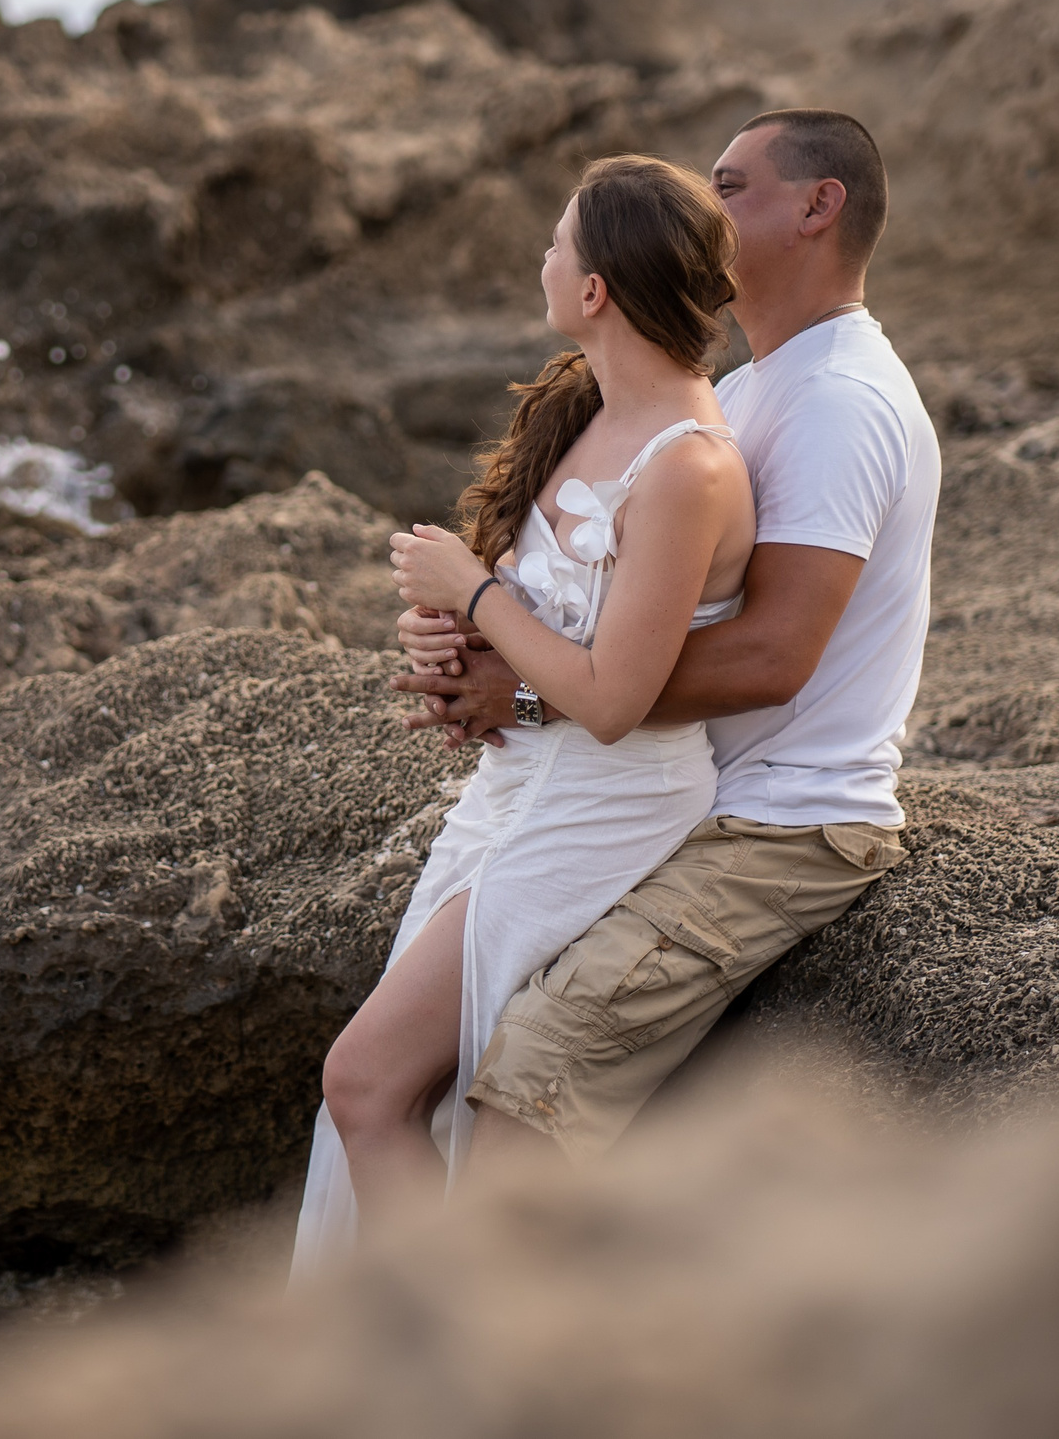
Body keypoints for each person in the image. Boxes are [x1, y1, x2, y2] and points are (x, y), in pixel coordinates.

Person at [391, 108, 941, 1177]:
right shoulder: (747, 388)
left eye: (731, 187)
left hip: (781, 820)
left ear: (817, 208)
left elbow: (776, 656)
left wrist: (534, 694)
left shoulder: (838, 398)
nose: (706, 204)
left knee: (527, 1090)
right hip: (683, 787)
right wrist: (478, 641)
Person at [293, 154, 758, 1277]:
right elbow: (540, 628)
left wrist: (475, 592)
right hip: (511, 792)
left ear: (595, 287)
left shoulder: (686, 467)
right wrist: (445, 638)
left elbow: (610, 699)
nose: (541, 261)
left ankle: (454, 1359)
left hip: (606, 804)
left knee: (362, 1081)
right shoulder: (584, 410)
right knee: (406, 1089)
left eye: (556, 244)